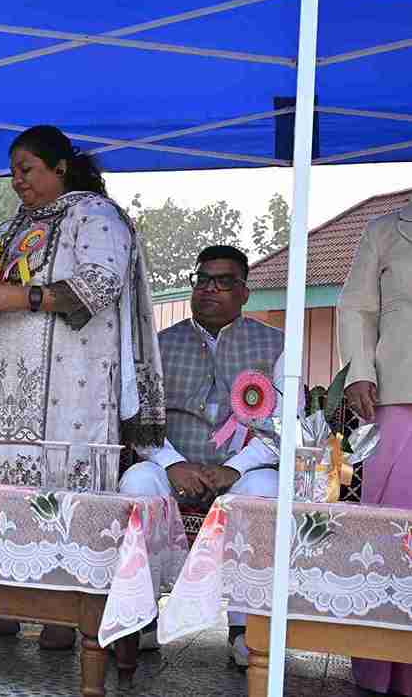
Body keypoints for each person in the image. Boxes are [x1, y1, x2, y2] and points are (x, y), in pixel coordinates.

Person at [0, 125, 166, 644]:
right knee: (4, 494)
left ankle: (64, 610)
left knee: (65, 493)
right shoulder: (14, 226)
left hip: (72, 387)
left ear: (60, 167)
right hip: (10, 389)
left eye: (26, 169)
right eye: (13, 173)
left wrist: (21, 297)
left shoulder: (96, 214)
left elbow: (101, 283)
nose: (17, 181)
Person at [119, 244, 288, 666]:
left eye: (224, 281)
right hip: (173, 464)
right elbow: (140, 419)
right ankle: (140, 617)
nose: (210, 289)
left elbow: (286, 424)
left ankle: (245, 626)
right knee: (137, 481)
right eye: (203, 279)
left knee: (266, 489)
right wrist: (172, 463)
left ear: (245, 292)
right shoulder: (159, 345)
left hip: (243, 471)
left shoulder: (276, 345)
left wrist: (235, 468)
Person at [339, 202, 412, 695]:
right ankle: (379, 669)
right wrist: (359, 372)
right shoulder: (385, 229)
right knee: (387, 531)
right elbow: (356, 308)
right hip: (396, 392)